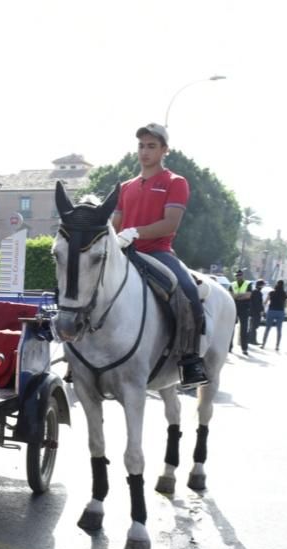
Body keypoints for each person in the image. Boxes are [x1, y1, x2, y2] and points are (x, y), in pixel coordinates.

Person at [112, 122, 208, 387]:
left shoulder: (175, 182)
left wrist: (135, 232)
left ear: (165, 150)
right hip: (124, 253)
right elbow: (114, 222)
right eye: (141, 146)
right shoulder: (126, 186)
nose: (145, 151)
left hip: (157, 252)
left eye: (152, 146)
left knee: (188, 291)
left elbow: (170, 224)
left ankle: (190, 360)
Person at [229, 269, 254, 355]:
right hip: (234, 308)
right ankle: (229, 347)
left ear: (242, 276)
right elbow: (231, 295)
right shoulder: (232, 284)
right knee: (231, 328)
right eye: (237, 276)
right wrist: (241, 295)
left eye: (239, 275)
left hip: (244, 309)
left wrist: (237, 296)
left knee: (244, 329)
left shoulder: (248, 284)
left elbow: (248, 295)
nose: (238, 277)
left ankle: (244, 348)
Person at [262, 279, 287, 350]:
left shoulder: (271, 293)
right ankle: (277, 346)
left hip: (271, 311)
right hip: (280, 312)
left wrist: (264, 310)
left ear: (276, 284)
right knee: (279, 329)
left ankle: (263, 344)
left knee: (267, 328)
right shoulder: (284, 294)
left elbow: (265, 302)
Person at [248, 279, 265, 345]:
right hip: (256, 312)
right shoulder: (258, 293)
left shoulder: (254, 292)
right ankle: (252, 340)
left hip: (252, 312)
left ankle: (250, 339)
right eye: (262, 285)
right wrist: (261, 311)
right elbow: (258, 303)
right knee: (254, 326)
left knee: (252, 326)